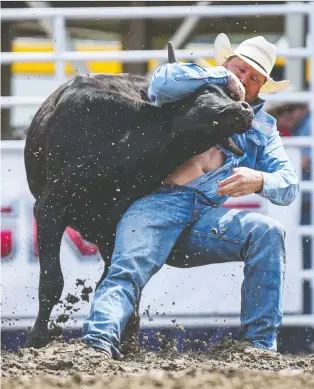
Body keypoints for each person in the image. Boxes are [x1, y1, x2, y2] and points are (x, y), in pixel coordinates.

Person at [82, 34, 299, 359]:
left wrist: (259, 179)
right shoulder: (192, 85)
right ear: (226, 64)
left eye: (255, 77)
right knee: (126, 270)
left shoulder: (263, 129)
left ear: (262, 87)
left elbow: (289, 185)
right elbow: (160, 82)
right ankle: (98, 345)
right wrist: (219, 77)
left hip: (203, 215)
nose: (245, 79)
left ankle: (259, 348)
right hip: (158, 202)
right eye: (240, 69)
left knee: (268, 233)